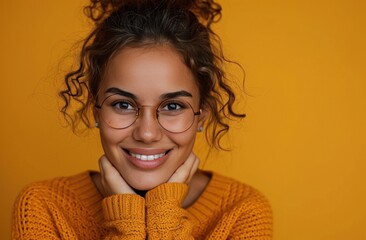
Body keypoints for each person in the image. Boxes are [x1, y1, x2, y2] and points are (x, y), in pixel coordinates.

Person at [12, 0, 273, 239]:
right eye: (123, 105)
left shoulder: (241, 211)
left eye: (172, 105)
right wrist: (127, 219)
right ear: (97, 112)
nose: (147, 133)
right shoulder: (45, 206)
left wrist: (164, 212)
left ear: (201, 116)